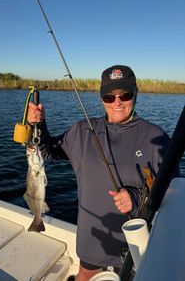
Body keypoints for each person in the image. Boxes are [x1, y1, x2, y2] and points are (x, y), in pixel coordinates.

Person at [27, 65, 171, 280]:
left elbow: (173, 193)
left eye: (126, 95)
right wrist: (38, 124)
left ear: (136, 93)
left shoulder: (155, 137)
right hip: (92, 238)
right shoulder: (81, 131)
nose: (118, 102)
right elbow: (48, 151)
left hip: (136, 239)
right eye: (109, 96)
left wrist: (136, 196)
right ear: (101, 97)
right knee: (85, 274)